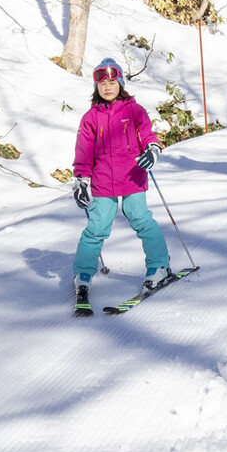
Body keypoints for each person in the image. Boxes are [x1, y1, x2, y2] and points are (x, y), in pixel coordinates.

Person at [71, 58, 170, 314]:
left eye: (112, 82)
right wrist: (81, 180)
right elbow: (83, 152)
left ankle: (159, 266)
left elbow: (148, 134)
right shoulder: (90, 117)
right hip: (103, 181)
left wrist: (152, 148)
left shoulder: (134, 110)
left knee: (141, 219)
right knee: (96, 228)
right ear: (96, 87)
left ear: (121, 83)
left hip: (132, 175)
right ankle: (82, 275)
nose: (107, 87)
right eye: (102, 83)